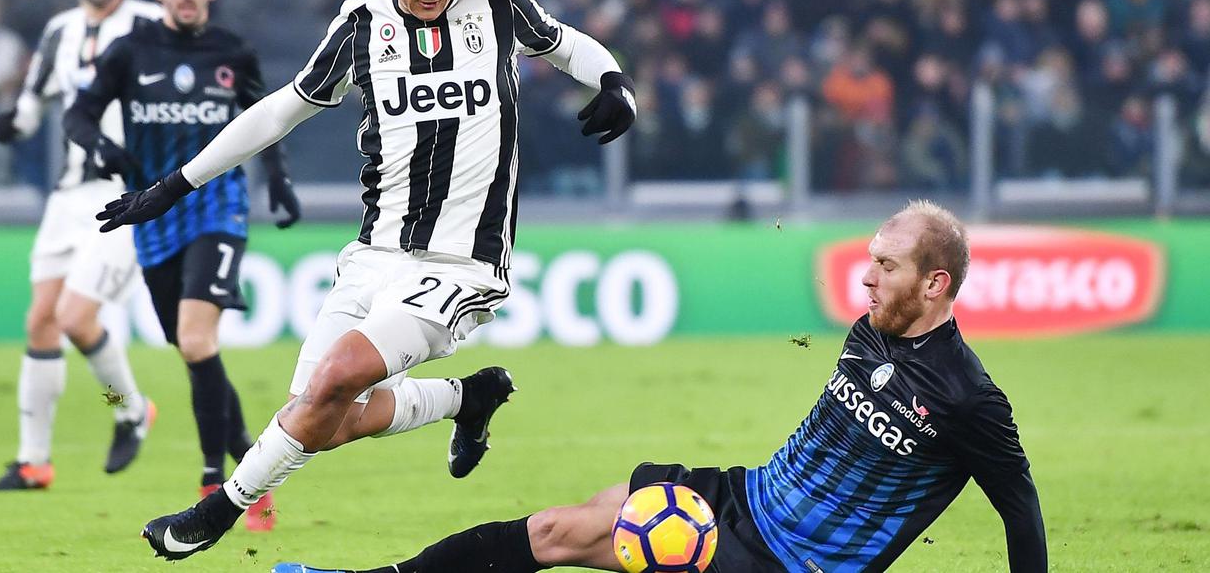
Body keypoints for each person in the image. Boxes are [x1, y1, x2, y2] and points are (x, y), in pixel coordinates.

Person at [95, 0, 636, 561]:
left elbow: (567, 44)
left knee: (335, 378)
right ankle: (464, 399)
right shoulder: (360, 28)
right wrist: (176, 183)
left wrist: (613, 79)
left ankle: (219, 510)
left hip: (460, 265)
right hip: (374, 255)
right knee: (320, 419)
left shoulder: (498, 5)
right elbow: (280, 110)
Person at [272, 201, 1047, 573]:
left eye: (887, 265)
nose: (866, 275)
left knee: (564, 538)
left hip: (787, 563)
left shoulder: (967, 399)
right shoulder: (868, 329)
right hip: (747, 497)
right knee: (575, 517)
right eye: (870, 258)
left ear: (936, 283)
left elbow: (1021, 513)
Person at [62, 0, 301, 530]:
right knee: (170, 344)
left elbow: (265, 121)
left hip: (214, 207)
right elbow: (75, 111)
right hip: (135, 212)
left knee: (191, 341)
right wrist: (98, 145)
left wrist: (277, 180)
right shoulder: (120, 48)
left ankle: (208, 477)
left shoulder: (231, 51)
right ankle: (151, 419)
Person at [0, 0, 159, 491]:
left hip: (125, 194)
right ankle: (34, 461)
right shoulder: (60, 31)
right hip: (67, 197)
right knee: (41, 320)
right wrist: (12, 122)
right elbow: (35, 102)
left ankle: (129, 407)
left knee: (76, 318)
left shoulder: (150, 23)